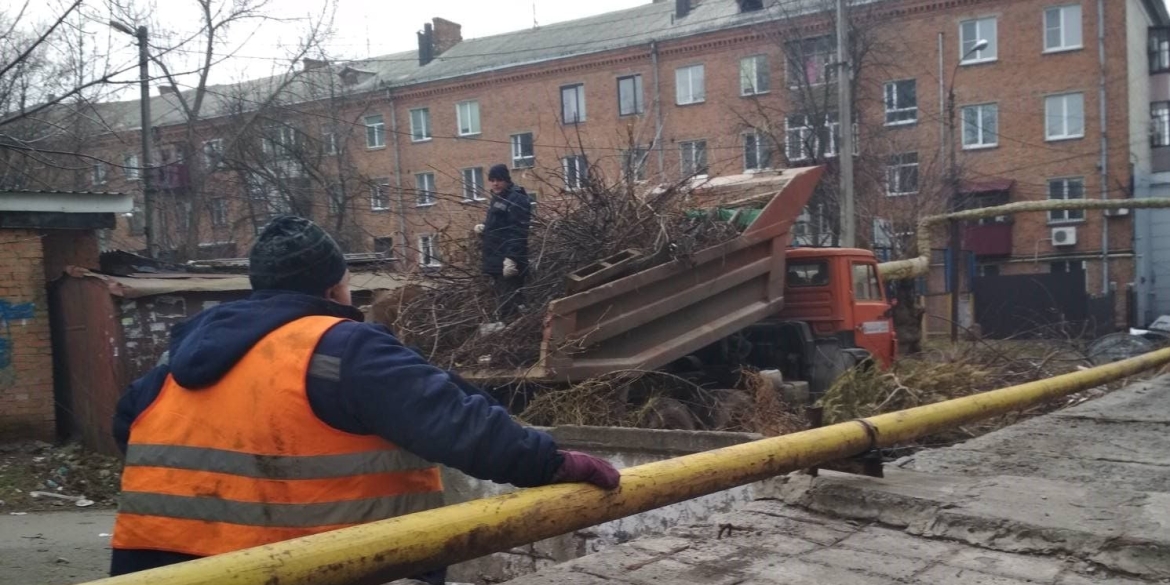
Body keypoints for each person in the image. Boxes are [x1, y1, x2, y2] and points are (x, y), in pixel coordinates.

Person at [108, 216, 619, 584]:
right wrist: (551, 462)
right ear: (335, 289)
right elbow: (455, 422)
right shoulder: (342, 348)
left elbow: (129, 429)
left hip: (157, 569)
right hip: (320, 569)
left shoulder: (176, 360)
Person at [475, 163, 531, 321]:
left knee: (510, 304)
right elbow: (502, 226)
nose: (495, 183)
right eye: (492, 180)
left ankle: (514, 334)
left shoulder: (517, 199)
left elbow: (518, 231)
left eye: (498, 179)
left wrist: (511, 259)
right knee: (503, 301)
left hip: (507, 262)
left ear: (506, 180)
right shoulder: (499, 198)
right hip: (496, 260)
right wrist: (485, 228)